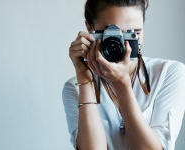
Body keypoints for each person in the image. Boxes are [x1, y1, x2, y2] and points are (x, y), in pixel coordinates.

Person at [62, 0, 185, 149]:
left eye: (135, 33)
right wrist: (84, 77)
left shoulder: (169, 74)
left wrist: (122, 84)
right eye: (112, 33)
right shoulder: (75, 87)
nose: (122, 43)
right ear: (89, 28)